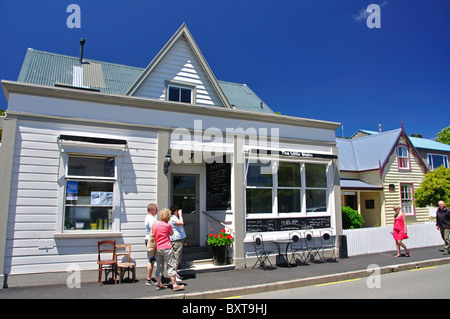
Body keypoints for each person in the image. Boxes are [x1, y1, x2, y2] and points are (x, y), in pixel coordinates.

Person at [152, 208, 184, 291]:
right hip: (166, 247)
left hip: (157, 248)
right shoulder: (167, 225)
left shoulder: (155, 224)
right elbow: (171, 233)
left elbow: (153, 233)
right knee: (171, 266)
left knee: (159, 266)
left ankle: (159, 284)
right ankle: (174, 285)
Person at [169, 205, 186, 283]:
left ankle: (176, 273)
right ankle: (175, 275)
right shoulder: (173, 218)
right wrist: (180, 215)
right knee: (177, 257)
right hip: (176, 240)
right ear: (175, 211)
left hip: (178, 239)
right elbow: (181, 223)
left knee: (177, 257)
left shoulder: (173, 218)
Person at [144, 203, 158, 286]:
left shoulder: (148, 217)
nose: (157, 210)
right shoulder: (151, 219)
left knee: (151, 259)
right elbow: (153, 229)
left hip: (148, 239)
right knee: (151, 259)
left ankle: (150, 278)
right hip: (151, 240)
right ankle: (148, 278)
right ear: (152, 210)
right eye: (156, 209)